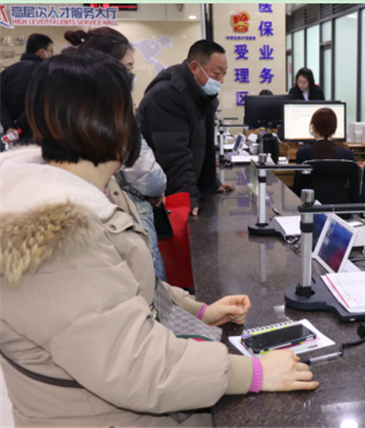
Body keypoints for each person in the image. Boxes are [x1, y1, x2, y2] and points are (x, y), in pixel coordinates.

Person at [0, 50, 318, 427]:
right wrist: (255, 372)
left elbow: (125, 285)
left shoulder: (94, 188)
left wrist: (197, 310)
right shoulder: (56, 238)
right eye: (127, 110)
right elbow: (137, 366)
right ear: (103, 121)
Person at [65, 27, 168, 281]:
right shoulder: (112, 110)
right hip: (125, 214)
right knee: (144, 282)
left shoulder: (72, 105)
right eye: (127, 67)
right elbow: (143, 168)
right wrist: (157, 188)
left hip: (98, 221)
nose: (131, 75)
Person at [137, 40, 235, 216]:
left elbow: (202, 146)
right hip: (156, 197)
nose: (220, 81)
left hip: (175, 188)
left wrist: (210, 183)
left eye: (223, 74)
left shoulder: (200, 95)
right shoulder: (167, 94)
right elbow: (174, 154)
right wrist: (186, 197)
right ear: (195, 67)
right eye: (217, 73)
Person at [0, 33, 54, 145]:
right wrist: (20, 123)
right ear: (41, 51)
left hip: (12, 135)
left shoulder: (7, 72)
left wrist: (10, 126)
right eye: (51, 51)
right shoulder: (48, 73)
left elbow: (1, 102)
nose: (51, 55)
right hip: (39, 135)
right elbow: (42, 100)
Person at [294, 108, 356, 196]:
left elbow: (297, 187)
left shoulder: (303, 153)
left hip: (310, 204)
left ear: (313, 128)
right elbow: (356, 188)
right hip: (339, 204)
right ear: (334, 129)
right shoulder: (347, 155)